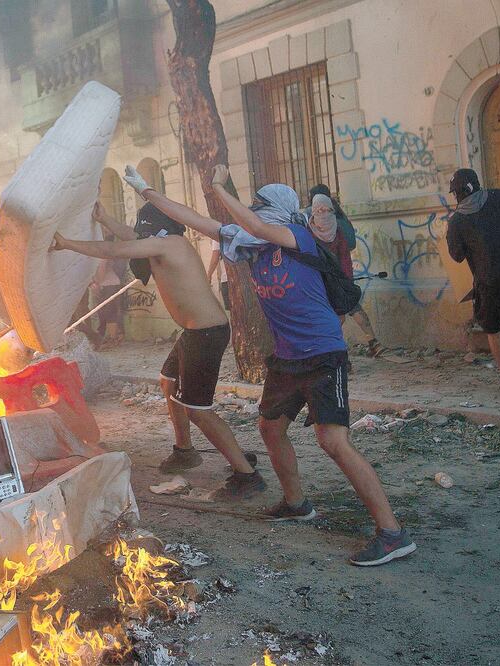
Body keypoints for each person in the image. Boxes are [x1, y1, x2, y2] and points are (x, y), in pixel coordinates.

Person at [122, 164, 416, 566]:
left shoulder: (298, 236)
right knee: (270, 428)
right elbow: (196, 221)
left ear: (276, 210)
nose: (255, 213)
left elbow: (256, 227)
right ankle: (296, 503)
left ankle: (392, 532)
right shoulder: (252, 246)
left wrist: (220, 188)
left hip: (323, 353)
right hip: (287, 357)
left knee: (332, 442)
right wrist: (147, 192)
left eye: (260, 206)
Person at [50, 197, 265, 499]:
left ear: (156, 229)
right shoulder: (161, 242)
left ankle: (246, 474)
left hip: (206, 334)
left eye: (144, 228)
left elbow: (115, 250)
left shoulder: (171, 244)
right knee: (169, 381)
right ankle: (185, 451)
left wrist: (66, 243)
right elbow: (131, 238)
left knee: (198, 410)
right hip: (194, 332)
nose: (141, 233)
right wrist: (105, 220)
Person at [446, 168, 500, 396]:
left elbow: (456, 256)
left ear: (457, 193)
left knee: (494, 331)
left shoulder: (457, 221)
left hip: (488, 284)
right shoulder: (499, 197)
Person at [306, 185, 385, 358]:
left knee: (334, 318)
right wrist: (346, 279)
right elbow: (349, 246)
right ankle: (373, 342)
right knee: (352, 308)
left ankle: (339, 355)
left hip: (323, 280)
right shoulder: (338, 219)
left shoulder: (310, 224)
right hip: (343, 276)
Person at [206, 239, 230, 310]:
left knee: (233, 312)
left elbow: (215, 258)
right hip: (248, 278)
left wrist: (209, 276)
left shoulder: (218, 234)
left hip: (227, 280)